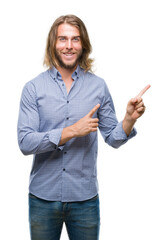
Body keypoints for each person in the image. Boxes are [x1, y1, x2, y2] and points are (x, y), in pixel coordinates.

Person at [17, 14, 150, 240]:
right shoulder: (33, 88)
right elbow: (25, 142)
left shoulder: (98, 86)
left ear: (83, 44)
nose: (69, 46)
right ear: (53, 44)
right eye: (63, 39)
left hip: (85, 201)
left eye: (75, 39)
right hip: (43, 199)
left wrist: (129, 119)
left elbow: (113, 137)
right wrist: (71, 132)